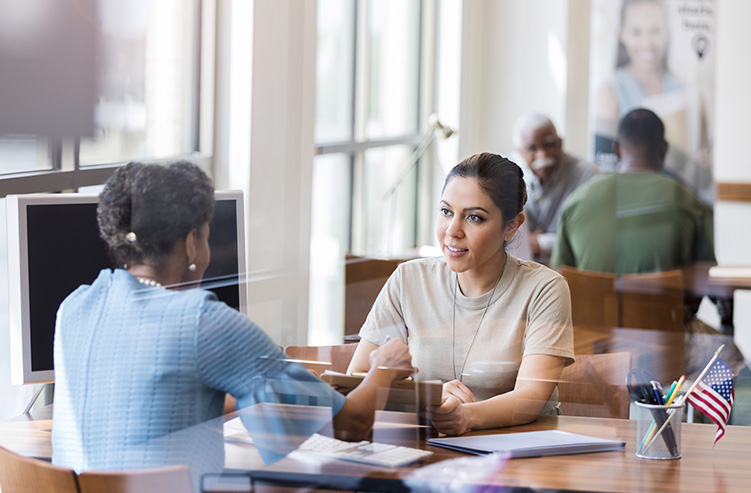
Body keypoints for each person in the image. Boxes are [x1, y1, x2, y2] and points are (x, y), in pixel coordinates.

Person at [51, 161, 415, 489]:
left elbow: (158, 399)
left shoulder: (75, 306)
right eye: (208, 235)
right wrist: (382, 370)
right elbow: (348, 425)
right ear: (192, 243)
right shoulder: (202, 320)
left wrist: (251, 391)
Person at [348, 153, 574, 436]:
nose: (452, 231)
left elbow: (530, 397)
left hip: (520, 453)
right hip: (429, 448)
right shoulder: (408, 279)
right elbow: (356, 379)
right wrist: (428, 396)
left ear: (512, 226)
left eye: (474, 217)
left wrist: (467, 416)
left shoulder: (545, 288)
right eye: (446, 212)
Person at [552, 108, 715, 275]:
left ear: (616, 149)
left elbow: (559, 276)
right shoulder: (689, 202)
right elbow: (707, 277)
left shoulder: (576, 202)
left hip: (591, 301)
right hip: (663, 302)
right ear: (664, 149)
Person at [594, 0, 712, 202]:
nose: (647, 43)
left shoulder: (688, 93)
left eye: (655, 30)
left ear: (667, 32)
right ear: (622, 33)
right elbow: (603, 166)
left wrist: (702, 165)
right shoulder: (609, 92)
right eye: (637, 32)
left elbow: (703, 176)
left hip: (680, 202)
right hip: (631, 202)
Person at [511, 113, 600, 260]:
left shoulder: (588, 175)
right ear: (520, 152)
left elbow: (593, 236)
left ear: (560, 143)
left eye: (549, 145)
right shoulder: (506, 172)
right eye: (532, 149)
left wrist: (542, 243)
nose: (542, 155)